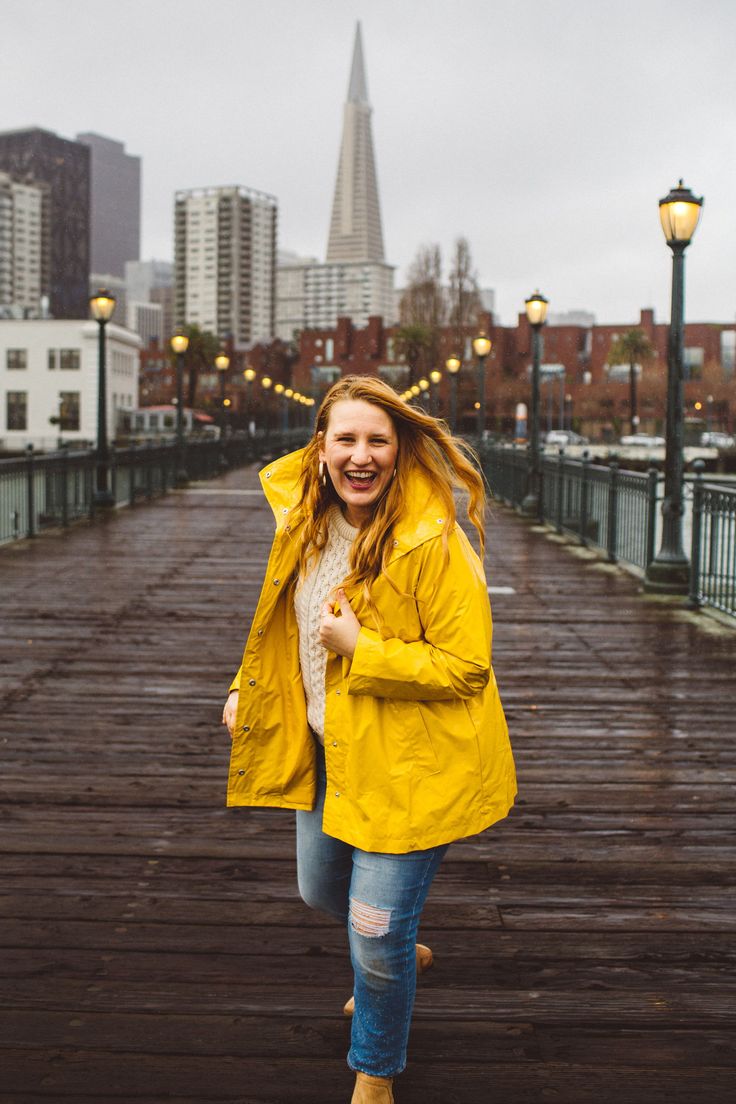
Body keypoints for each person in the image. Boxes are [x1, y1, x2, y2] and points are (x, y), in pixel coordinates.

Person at [222, 375, 516, 1103]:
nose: (361, 456)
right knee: (319, 886)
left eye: (376, 441)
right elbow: (282, 623)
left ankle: (374, 1074)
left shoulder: (432, 543)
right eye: (345, 439)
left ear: (399, 449)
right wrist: (242, 684)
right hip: (331, 749)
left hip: (412, 763)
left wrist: (361, 646)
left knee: (374, 933)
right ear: (320, 448)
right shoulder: (305, 521)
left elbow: (466, 669)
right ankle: (394, 945)